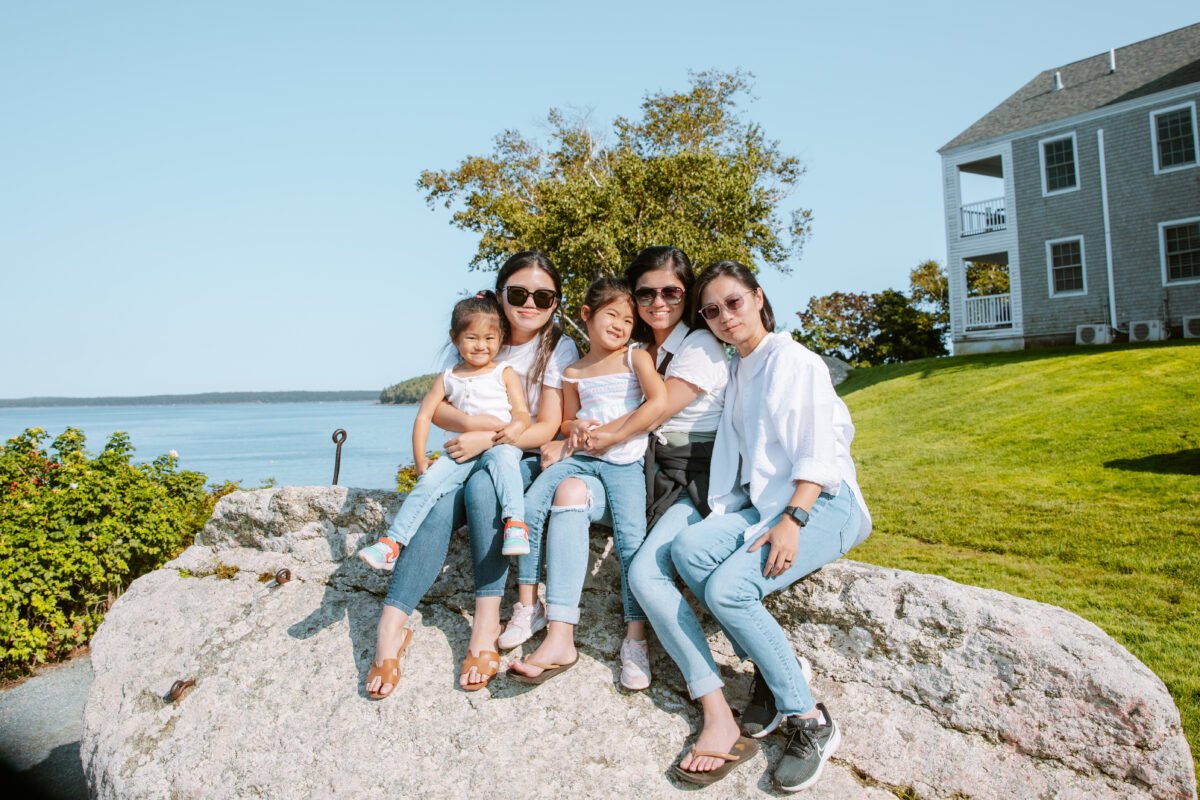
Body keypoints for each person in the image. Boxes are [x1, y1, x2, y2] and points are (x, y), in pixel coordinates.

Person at [666, 260, 872, 792]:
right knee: (688, 550)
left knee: (728, 591)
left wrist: (793, 519)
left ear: (758, 297)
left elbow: (818, 448)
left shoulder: (794, 360)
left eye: (733, 302)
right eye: (711, 311)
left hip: (823, 502)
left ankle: (809, 718)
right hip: (768, 506)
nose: (724, 316)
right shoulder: (740, 369)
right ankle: (774, 665)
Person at [364, 251, 578, 699]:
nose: (530, 304)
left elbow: (546, 425)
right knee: (439, 506)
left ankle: (485, 625)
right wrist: (473, 427)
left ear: (556, 303)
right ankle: (391, 627)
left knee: (484, 490)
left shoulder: (557, 348)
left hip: (517, 456)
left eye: (543, 297)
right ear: (501, 293)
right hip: (469, 450)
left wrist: (488, 440)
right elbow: (440, 408)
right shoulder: (480, 331)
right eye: (518, 294)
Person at [504, 277, 666, 685]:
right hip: (583, 460)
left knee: (631, 540)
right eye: (612, 315)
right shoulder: (574, 370)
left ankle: (635, 637)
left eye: (628, 320)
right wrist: (574, 427)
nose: (620, 325)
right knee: (531, 502)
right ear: (586, 315)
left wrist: (611, 434)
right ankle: (529, 604)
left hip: (624, 463)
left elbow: (658, 402)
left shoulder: (635, 358)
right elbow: (565, 420)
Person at [358, 292, 532, 573]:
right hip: (461, 450)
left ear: (500, 338)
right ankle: (392, 543)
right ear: (455, 338)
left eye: (489, 338)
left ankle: (515, 523)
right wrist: (420, 461)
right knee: (428, 482)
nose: (481, 345)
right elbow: (424, 416)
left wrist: (517, 427)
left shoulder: (504, 372)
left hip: (499, 443)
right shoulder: (448, 377)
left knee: (505, 461)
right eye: (472, 337)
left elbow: (522, 413)